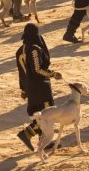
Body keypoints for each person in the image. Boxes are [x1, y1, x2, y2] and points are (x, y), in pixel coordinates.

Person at [16, 23, 62, 151]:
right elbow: (37, 70)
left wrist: (24, 89)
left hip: (30, 88)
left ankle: (45, 141)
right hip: (41, 87)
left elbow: (21, 73)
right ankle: (27, 133)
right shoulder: (34, 49)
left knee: (41, 113)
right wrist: (53, 74)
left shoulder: (20, 51)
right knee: (47, 114)